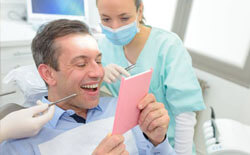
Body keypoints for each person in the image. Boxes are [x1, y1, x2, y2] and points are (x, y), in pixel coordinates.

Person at [0, 19, 176, 155]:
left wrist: (158, 141)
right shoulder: (20, 144)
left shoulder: (123, 108)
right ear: (48, 74)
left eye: (98, 61)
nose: (98, 73)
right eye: (81, 64)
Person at [96, 0, 206, 154]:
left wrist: (182, 152)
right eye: (106, 19)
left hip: (170, 143)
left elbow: (185, 114)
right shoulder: (103, 46)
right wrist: (100, 74)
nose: (115, 27)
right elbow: (88, 90)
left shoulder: (168, 46)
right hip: (132, 142)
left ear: (139, 11)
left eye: (124, 18)